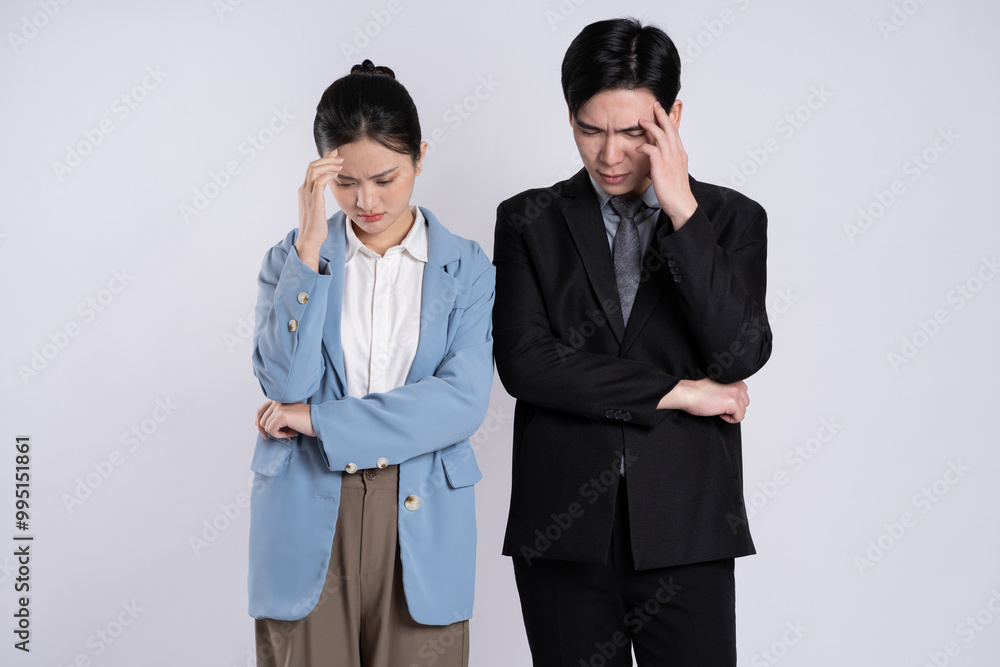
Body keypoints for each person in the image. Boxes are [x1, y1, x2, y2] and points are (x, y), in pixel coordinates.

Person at [492, 18, 772, 666]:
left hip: (689, 533)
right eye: (591, 129)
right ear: (569, 118)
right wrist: (679, 392)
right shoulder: (528, 221)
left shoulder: (732, 220)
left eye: (634, 133)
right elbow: (527, 363)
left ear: (673, 116)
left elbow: (739, 354)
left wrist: (683, 212)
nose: (610, 155)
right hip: (563, 536)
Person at [247, 59, 495, 667]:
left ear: (420, 157)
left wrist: (319, 421)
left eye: (386, 178)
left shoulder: (467, 267)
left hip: (422, 510)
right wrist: (309, 253)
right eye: (345, 184)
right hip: (308, 507)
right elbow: (284, 382)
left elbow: (460, 404)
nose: (367, 201)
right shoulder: (292, 259)